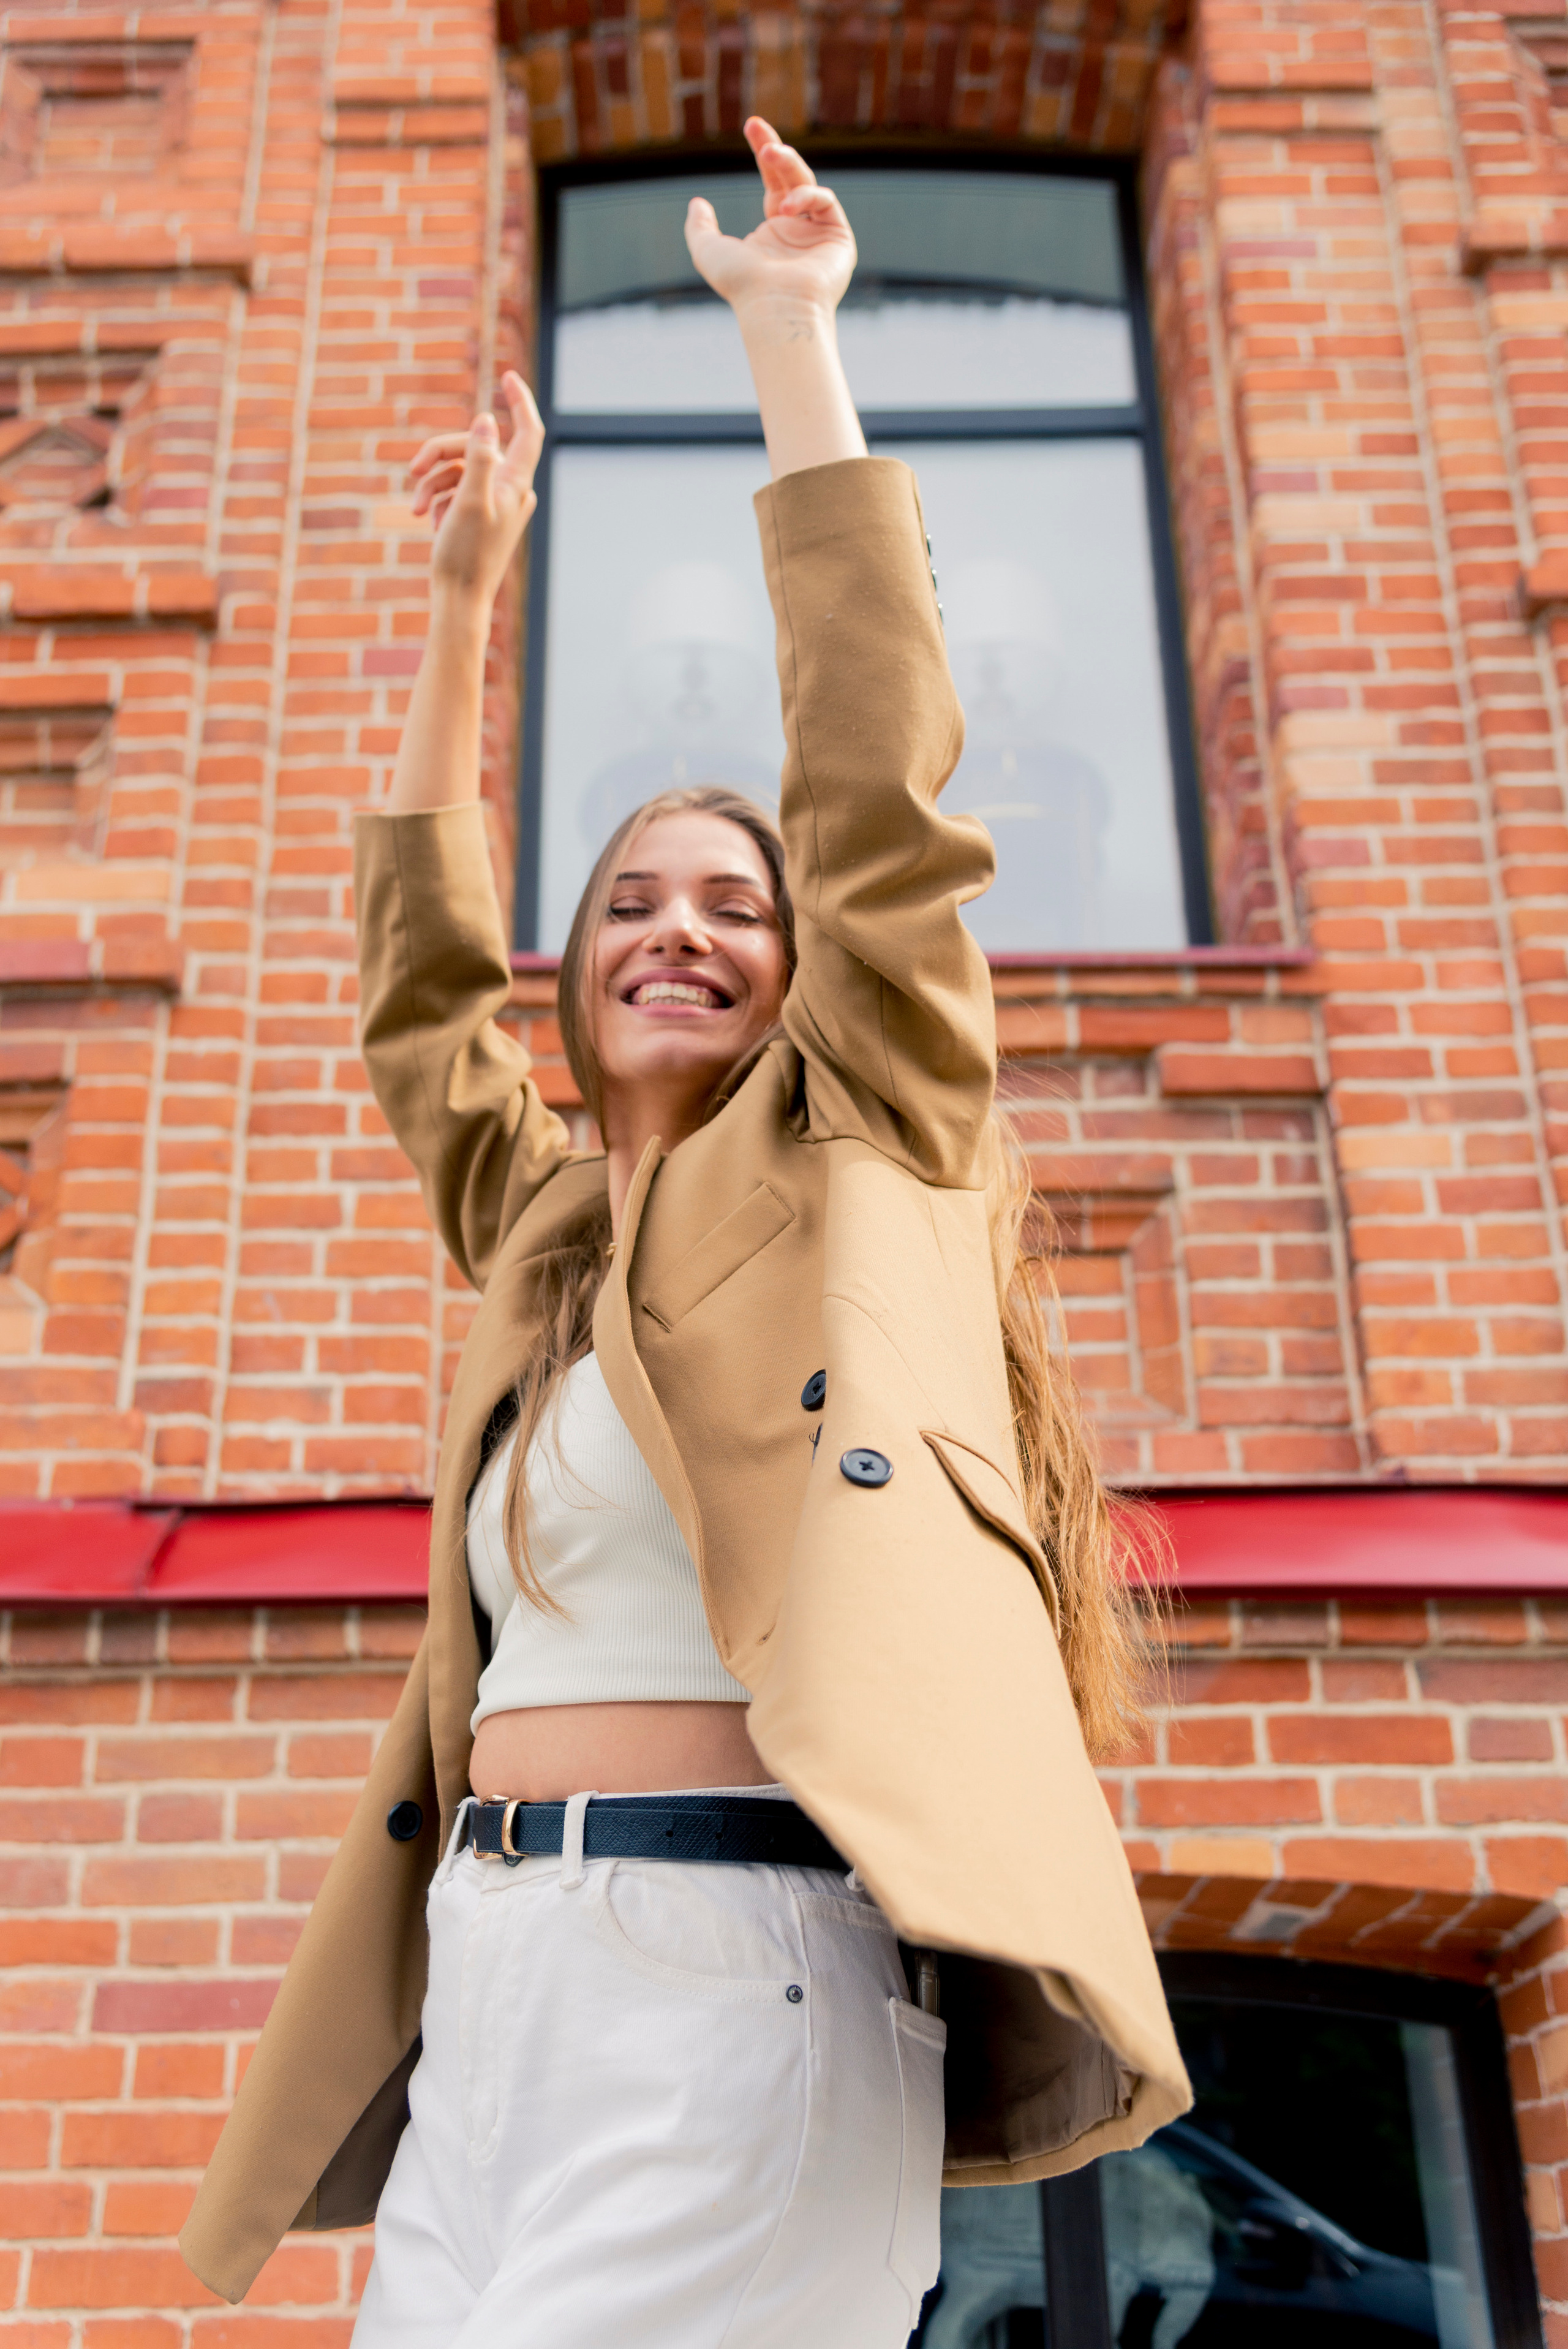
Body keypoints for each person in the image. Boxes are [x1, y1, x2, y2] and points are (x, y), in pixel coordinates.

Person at [181, 118, 1190, 2346]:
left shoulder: (871, 1141)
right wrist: (463, 605)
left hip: (742, 1958)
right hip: (501, 1967)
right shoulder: (550, 1239)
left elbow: (874, 786)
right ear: (582, 960)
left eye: (739, 907)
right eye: (633, 898)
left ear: (805, 957)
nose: (682, 931)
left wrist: (792, 350)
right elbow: (415, 999)